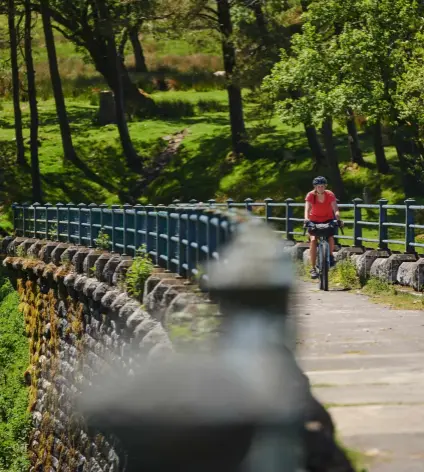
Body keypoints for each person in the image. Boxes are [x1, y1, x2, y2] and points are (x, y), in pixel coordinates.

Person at [304, 176, 343, 279]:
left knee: (330, 237)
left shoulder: (330, 194)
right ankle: (312, 268)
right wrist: (306, 219)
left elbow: (335, 208)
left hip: (328, 219)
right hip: (313, 220)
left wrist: (338, 218)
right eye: (318, 186)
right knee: (313, 240)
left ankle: (330, 255)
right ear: (315, 187)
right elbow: (307, 209)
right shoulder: (310, 195)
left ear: (325, 186)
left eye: (322, 186)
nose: (320, 188)